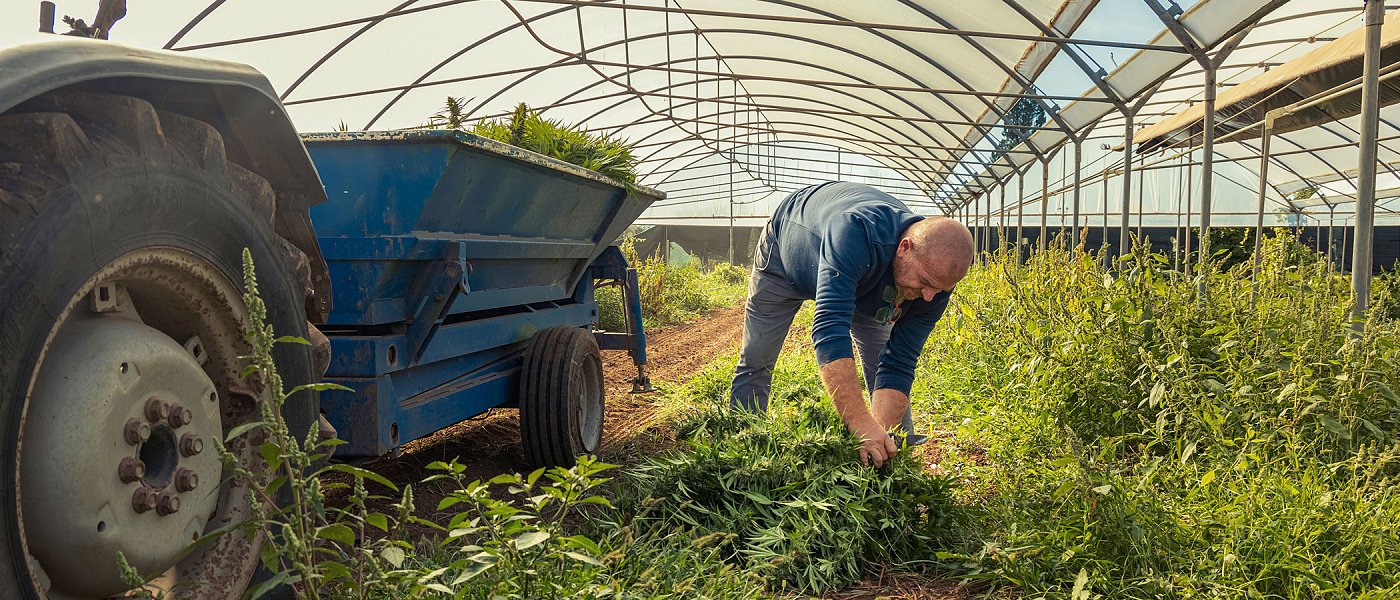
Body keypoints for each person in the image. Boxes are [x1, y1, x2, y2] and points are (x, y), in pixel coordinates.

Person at [729, 181, 974, 468]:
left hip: (865, 280)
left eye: (940, 289)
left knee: (879, 361)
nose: (929, 296)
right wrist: (859, 424)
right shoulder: (855, 232)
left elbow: (900, 360)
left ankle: (894, 457)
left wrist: (878, 439)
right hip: (785, 259)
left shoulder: (935, 283)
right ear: (904, 249)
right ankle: (740, 446)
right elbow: (830, 327)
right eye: (925, 283)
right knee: (758, 354)